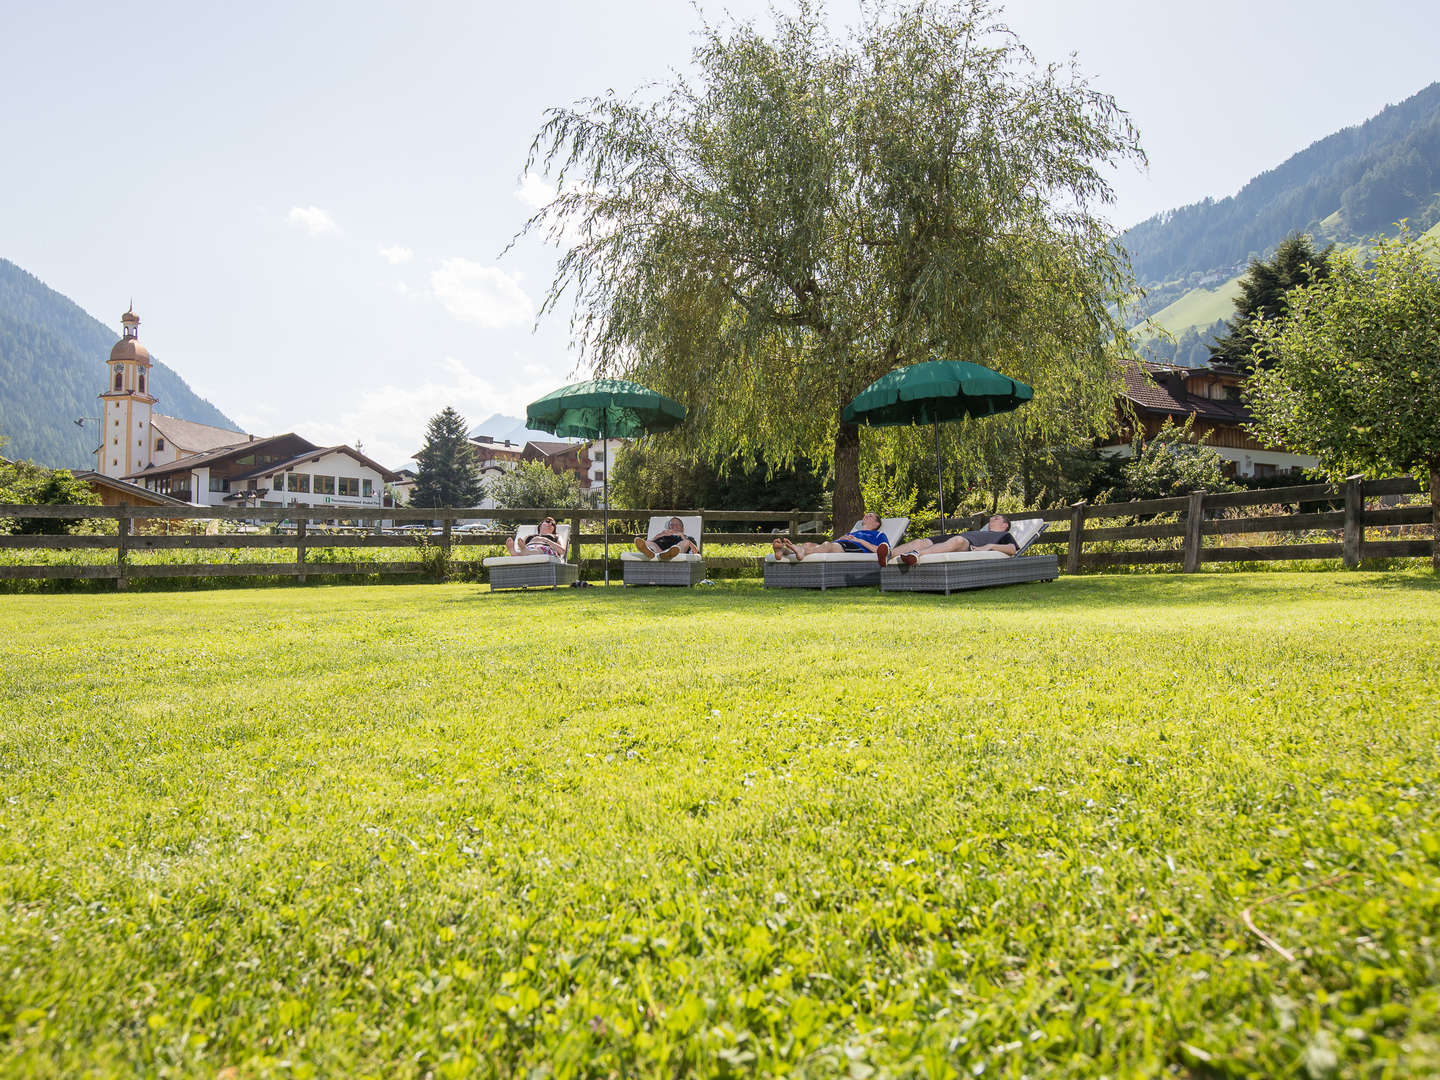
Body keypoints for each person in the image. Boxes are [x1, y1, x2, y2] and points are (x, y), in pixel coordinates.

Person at [878, 513, 1018, 566]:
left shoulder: (1003, 536)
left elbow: (1012, 550)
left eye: (997, 518)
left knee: (958, 540)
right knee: (921, 542)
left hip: (967, 544)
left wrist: (989, 546)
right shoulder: (979, 531)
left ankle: (916, 555)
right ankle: (889, 554)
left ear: (1005, 525)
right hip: (956, 537)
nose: (992, 518)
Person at [774, 511, 888, 562]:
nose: (867, 515)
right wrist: (841, 539)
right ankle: (783, 551)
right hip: (844, 544)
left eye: (871, 515)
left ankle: (799, 550)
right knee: (809, 544)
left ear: (877, 524)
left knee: (827, 545)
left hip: (857, 548)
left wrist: (859, 541)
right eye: (866, 515)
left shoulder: (878, 534)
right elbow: (836, 544)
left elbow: (881, 550)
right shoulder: (853, 533)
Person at [635, 516, 700, 561]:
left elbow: (696, 552)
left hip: (676, 555)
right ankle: (653, 553)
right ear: (669, 527)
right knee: (647, 542)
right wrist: (659, 535)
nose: (674, 526)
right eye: (672, 524)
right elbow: (649, 542)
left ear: (682, 529)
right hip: (659, 553)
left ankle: (669, 554)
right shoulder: (662, 536)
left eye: (677, 524)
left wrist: (682, 536)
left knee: (686, 542)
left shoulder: (688, 538)